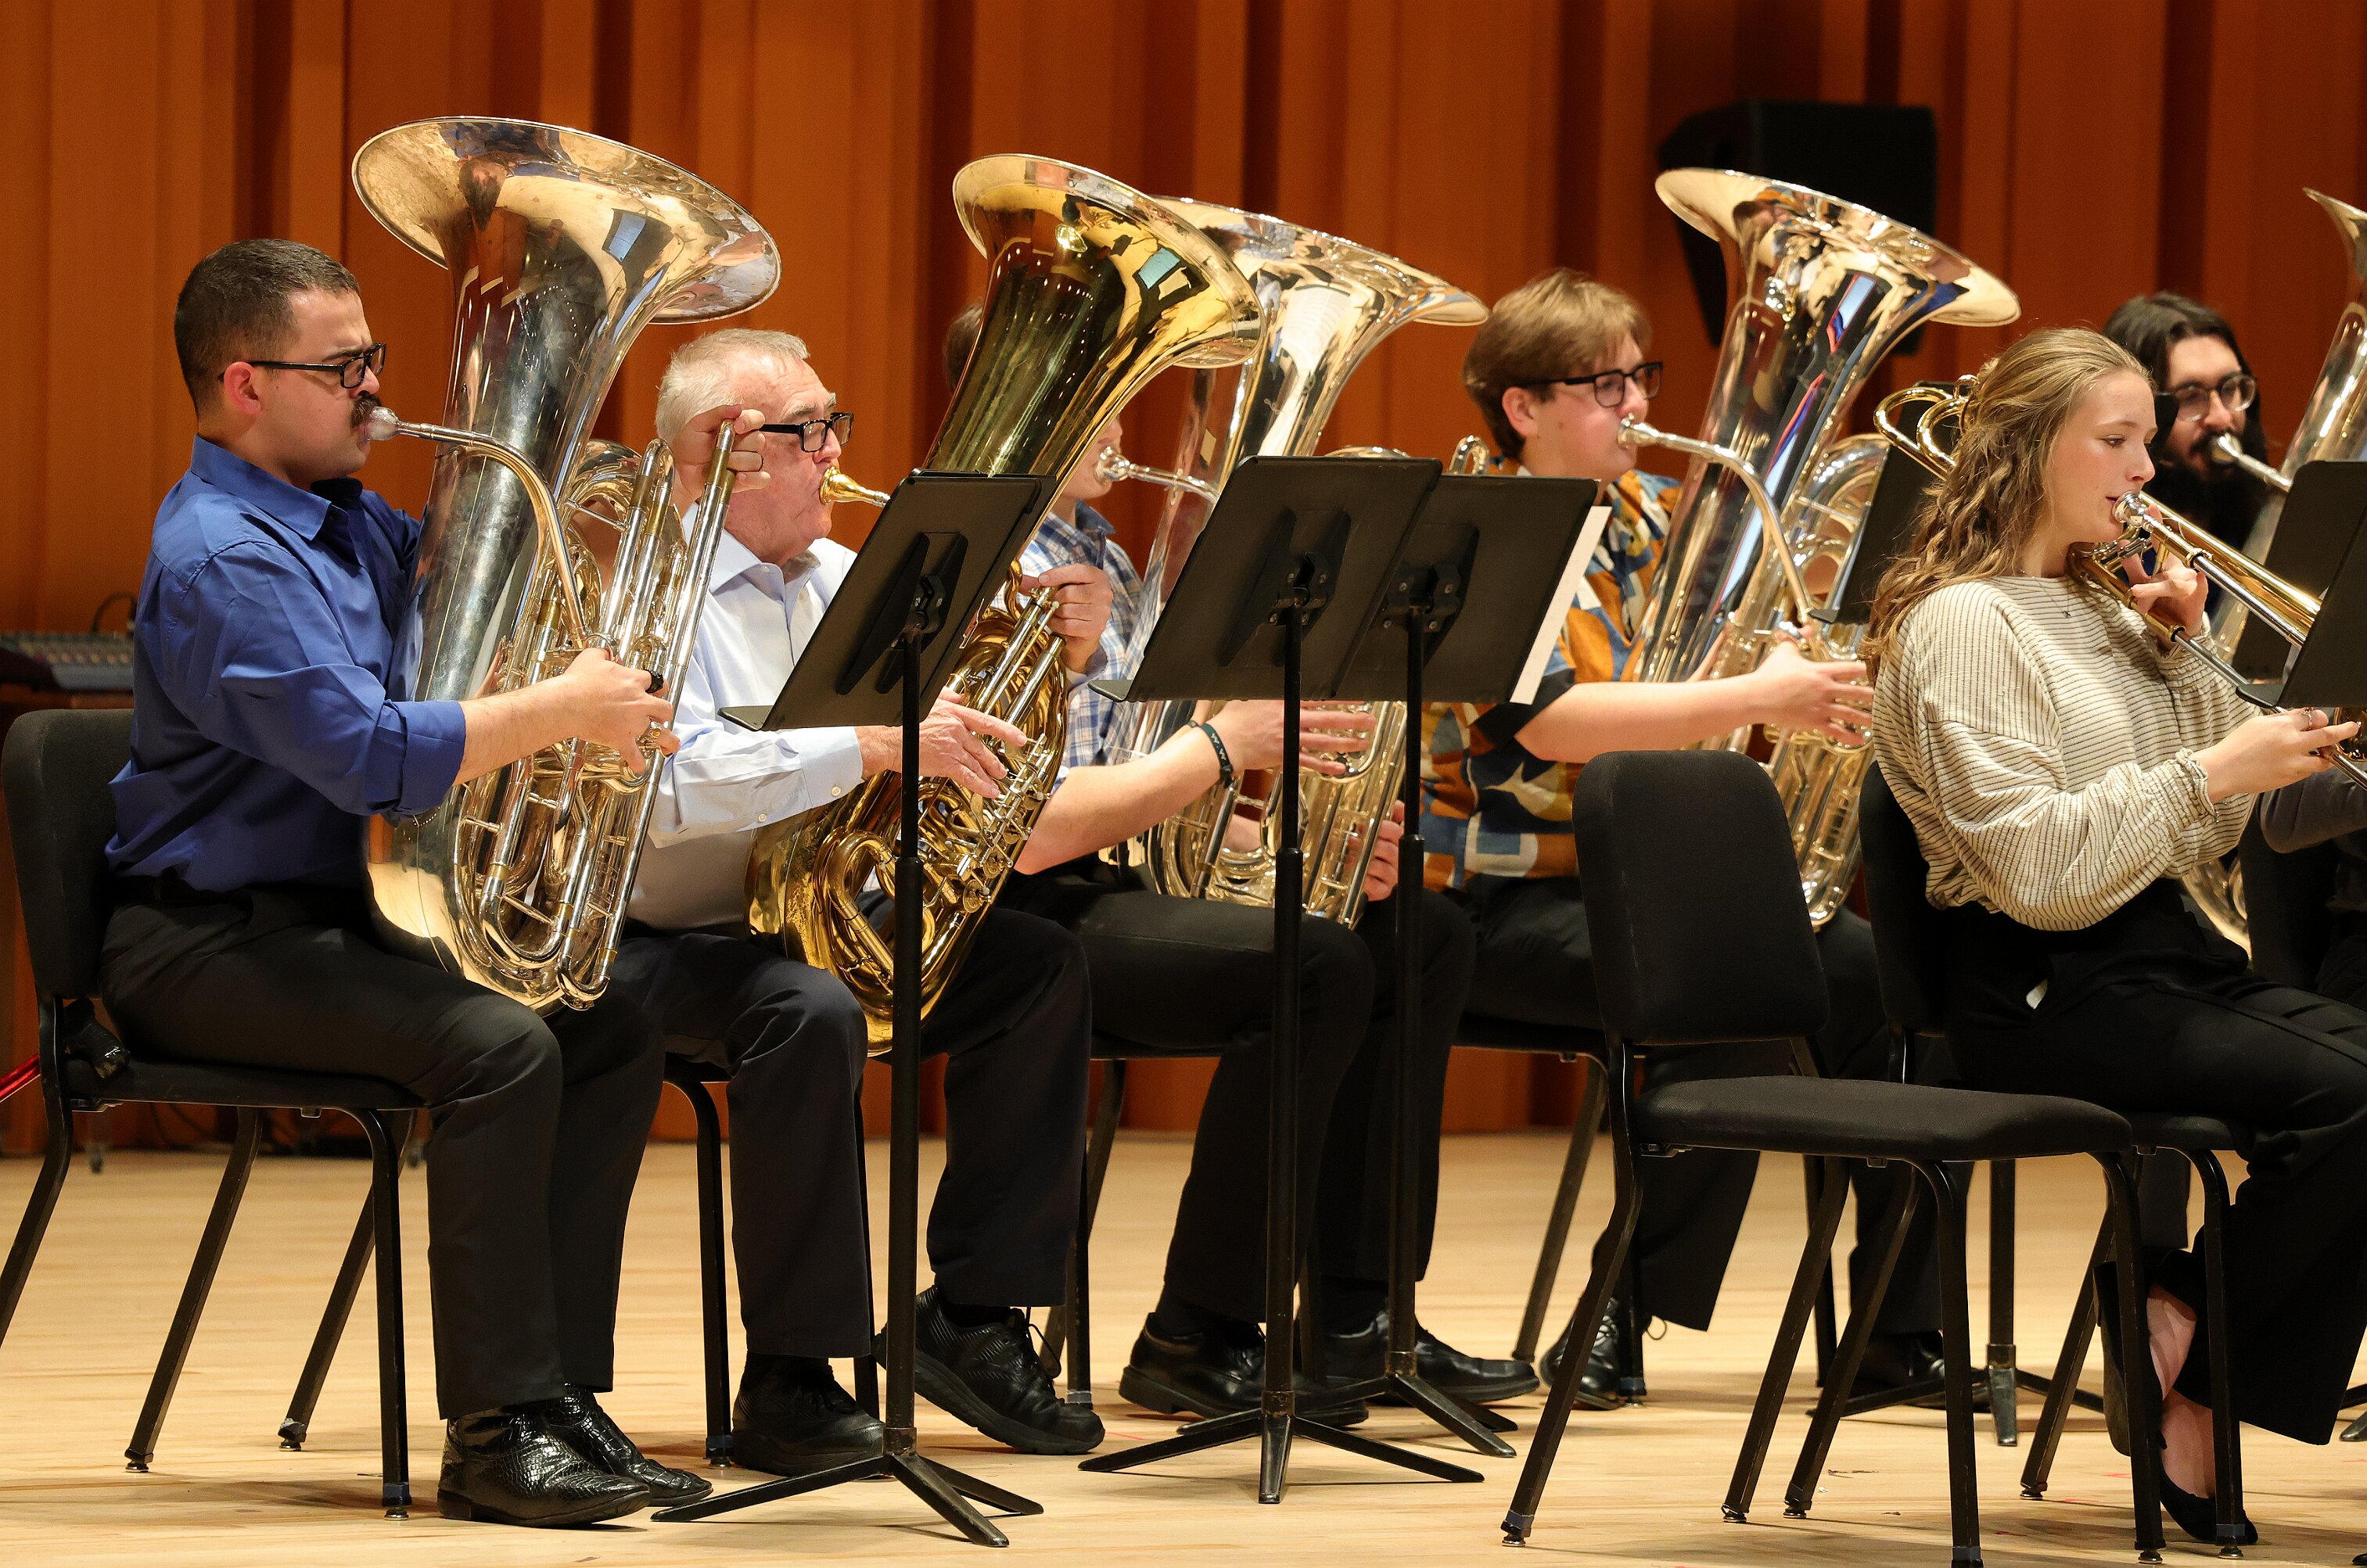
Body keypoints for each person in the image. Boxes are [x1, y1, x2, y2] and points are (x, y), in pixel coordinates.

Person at [99, 239, 757, 1526]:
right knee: (498, 1051)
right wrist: (561, 710)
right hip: (207, 946)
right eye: (341, 366)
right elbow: (367, 759)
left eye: (374, 358)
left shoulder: (346, 517)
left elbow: (504, 585)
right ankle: (495, 1432)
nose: (373, 387)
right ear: (244, 384)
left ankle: (558, 1393)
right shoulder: (227, 558)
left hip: (332, 920)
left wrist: (662, 505)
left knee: (608, 1022)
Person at [934, 303, 1522, 1422]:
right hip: (1019, 913)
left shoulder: (1103, 553)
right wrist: (1224, 746)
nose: (1122, 425)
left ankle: (1354, 1317)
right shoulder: (983, 565)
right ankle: (1198, 1329)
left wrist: (1300, 842)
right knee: (1312, 966)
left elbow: (1135, 789)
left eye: (1124, 395)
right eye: (1102, 397)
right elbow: (1032, 830)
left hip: (1108, 878)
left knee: (1418, 934)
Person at [1866, 323, 2367, 1545]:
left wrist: (2188, 657)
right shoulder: (1961, 624)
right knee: (2356, 1095)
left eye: (2145, 440)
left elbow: (2211, 835)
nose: (2146, 469)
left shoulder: (2099, 605)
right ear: (2033, 446)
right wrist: (2210, 767)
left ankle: (2180, 1315)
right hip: (2041, 985)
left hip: (2163, 960)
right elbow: (2038, 872)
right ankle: (2195, 1370)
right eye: (2117, 440)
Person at [1435, 267, 1946, 1401]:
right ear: (1522, 406)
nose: (1637, 405)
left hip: (1645, 889)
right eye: (1604, 385)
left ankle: (1893, 1328)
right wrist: (1754, 697)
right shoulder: (1481, 532)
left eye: (1641, 377)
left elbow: (1741, 648)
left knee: (1889, 987)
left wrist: (1803, 651)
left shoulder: (1656, 517)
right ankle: (1620, 1309)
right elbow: (1546, 722)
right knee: (1733, 998)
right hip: (1503, 898)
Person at [609, 328, 1103, 1474]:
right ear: (718, 451)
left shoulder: (851, 580)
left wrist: (1058, 654)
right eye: (806, 432)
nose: (835, 451)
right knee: (807, 1010)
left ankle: (974, 1314)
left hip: (817, 919)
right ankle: (791, 1377)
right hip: (665, 940)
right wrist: (867, 746)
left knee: (1034, 966)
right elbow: (670, 792)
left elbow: (972, 741)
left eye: (835, 423)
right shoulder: (646, 595)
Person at [2103, 292, 2275, 550]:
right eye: (2191, 397)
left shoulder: (2262, 520)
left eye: (2230, 389)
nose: (2221, 417)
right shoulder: (2104, 541)